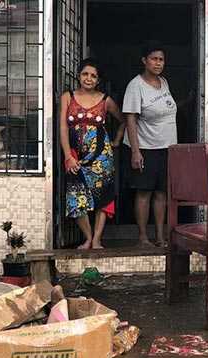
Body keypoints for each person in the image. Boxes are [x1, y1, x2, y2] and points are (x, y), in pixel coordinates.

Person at [60, 58, 125, 249]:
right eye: (85, 74)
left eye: (93, 76)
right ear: (79, 76)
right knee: (76, 195)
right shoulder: (67, 97)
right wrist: (67, 156)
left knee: (103, 196)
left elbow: (123, 120)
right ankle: (87, 237)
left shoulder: (105, 100)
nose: (88, 78)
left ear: (98, 80)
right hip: (75, 156)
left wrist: (116, 141)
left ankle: (97, 239)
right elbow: (63, 127)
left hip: (101, 157)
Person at [122, 42, 177, 247]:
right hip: (145, 148)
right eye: (154, 59)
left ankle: (161, 237)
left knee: (162, 193)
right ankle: (143, 237)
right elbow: (130, 119)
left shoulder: (164, 82)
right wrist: (136, 152)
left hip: (167, 148)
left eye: (161, 59)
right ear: (144, 61)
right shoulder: (135, 86)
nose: (158, 63)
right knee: (144, 192)